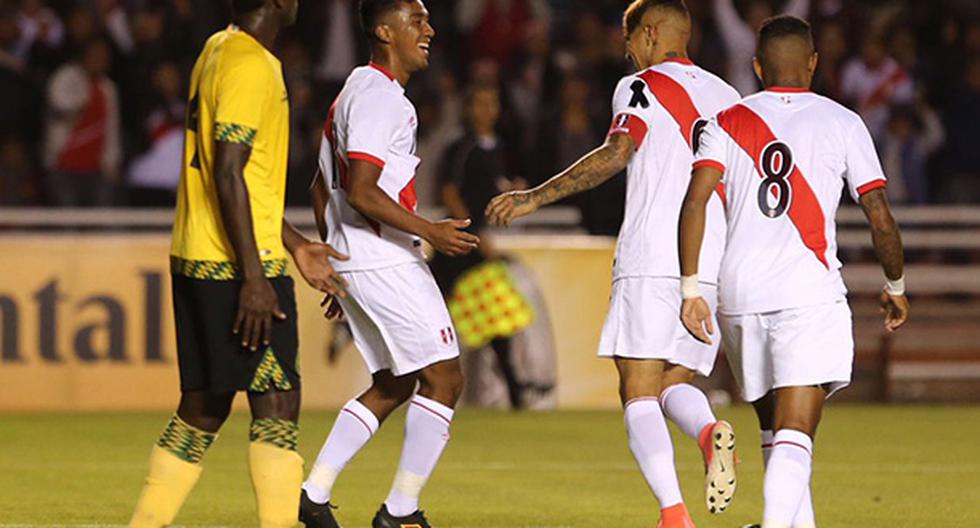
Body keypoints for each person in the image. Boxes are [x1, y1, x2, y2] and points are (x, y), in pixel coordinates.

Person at [487, 1, 740, 526]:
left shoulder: (639, 87)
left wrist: (535, 196)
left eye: (630, 45)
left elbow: (617, 150)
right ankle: (707, 431)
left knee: (637, 389)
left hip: (653, 252)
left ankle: (674, 514)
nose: (628, 56)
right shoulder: (728, 96)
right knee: (675, 383)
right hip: (708, 261)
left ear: (649, 35)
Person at [678, 16, 910, 528]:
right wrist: (895, 285)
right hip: (806, 292)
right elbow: (880, 217)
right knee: (798, 429)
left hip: (739, 294)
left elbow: (695, 202)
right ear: (813, 63)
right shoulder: (842, 122)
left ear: (758, 67)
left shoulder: (726, 120)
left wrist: (692, 287)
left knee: (774, 429)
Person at [128, 1, 349, 527]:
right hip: (237, 267)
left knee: (203, 409)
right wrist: (255, 276)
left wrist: (295, 242)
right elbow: (229, 170)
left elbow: (241, 181)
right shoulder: (254, 64)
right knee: (277, 407)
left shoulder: (217, 48)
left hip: (197, 252)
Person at [300, 2, 479, 528]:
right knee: (445, 379)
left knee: (395, 383)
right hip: (384, 257)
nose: (429, 30)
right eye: (416, 21)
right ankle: (401, 512)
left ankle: (313, 495)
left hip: (360, 257)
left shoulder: (354, 89)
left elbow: (320, 186)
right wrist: (431, 231)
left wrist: (335, 257)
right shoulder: (381, 98)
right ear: (384, 31)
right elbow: (360, 190)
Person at [434, 82, 527, 409]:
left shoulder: (500, 147)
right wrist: (472, 234)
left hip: (473, 247)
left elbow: (496, 186)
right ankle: (515, 390)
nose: (487, 110)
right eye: (480, 103)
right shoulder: (461, 146)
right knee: (432, 310)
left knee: (493, 319)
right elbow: (449, 192)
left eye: (492, 103)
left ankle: (516, 390)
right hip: (457, 244)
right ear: (469, 109)